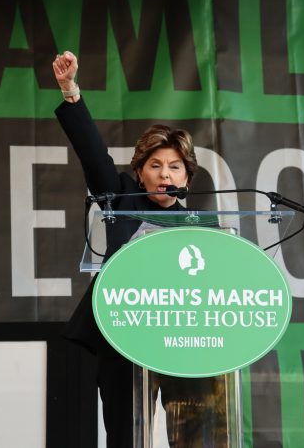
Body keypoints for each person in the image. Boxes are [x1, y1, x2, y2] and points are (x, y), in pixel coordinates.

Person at [54, 51, 227, 448]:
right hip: (123, 338)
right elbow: (93, 155)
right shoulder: (122, 198)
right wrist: (70, 92)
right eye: (155, 165)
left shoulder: (201, 226)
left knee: (193, 435)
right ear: (139, 171)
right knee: (127, 435)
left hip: (185, 341)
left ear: (187, 176)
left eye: (175, 167)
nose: (164, 174)